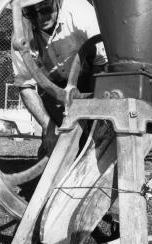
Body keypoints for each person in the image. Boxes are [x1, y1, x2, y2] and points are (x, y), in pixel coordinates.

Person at [11, 0, 106, 157]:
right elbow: (25, 85)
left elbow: (102, 61)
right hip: (51, 89)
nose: (40, 17)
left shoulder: (81, 12)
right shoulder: (20, 35)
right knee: (53, 149)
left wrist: (94, 112)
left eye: (45, 9)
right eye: (31, 13)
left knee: (94, 143)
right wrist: (48, 127)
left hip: (90, 78)